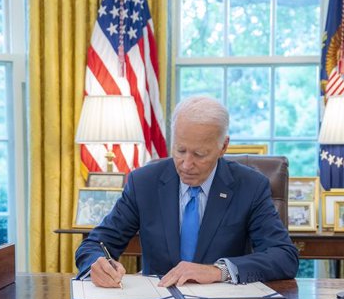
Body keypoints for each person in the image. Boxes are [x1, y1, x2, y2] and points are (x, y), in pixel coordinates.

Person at [75, 96, 299, 288]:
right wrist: (98, 264)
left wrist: (219, 271)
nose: (186, 164)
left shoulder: (250, 186)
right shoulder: (144, 183)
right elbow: (94, 244)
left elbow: (284, 256)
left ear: (223, 146)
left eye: (200, 154)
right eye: (180, 150)